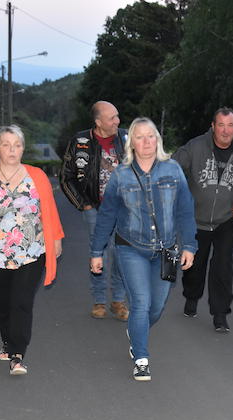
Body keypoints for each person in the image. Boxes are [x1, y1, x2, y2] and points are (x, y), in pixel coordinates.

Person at [90, 118, 197, 382]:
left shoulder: (173, 170)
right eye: (140, 137)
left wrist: (189, 245)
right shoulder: (121, 175)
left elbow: (185, 210)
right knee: (141, 302)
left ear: (157, 140)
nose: (146, 141)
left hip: (165, 250)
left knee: (156, 307)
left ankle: (137, 331)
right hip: (131, 248)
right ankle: (141, 358)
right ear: (132, 144)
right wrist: (96, 251)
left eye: (151, 136)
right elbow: (107, 215)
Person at [0, 125, 64, 375]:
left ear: (23, 148)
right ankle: (7, 341)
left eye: (17, 145)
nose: (12, 150)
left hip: (32, 249)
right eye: (6, 145)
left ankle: (17, 354)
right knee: (3, 301)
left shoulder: (37, 176)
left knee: (22, 300)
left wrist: (55, 239)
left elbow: (49, 209)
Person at [172, 107, 233, 332]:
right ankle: (191, 296)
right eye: (221, 125)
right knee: (195, 265)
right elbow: (173, 166)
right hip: (196, 219)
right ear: (213, 126)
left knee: (222, 266)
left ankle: (220, 314)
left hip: (226, 220)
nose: (226, 131)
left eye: (230, 125)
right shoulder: (196, 146)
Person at [60, 101, 129, 321]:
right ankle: (99, 301)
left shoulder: (127, 138)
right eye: (112, 118)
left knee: (121, 254)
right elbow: (66, 177)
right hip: (95, 209)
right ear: (98, 122)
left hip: (124, 210)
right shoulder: (80, 141)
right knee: (98, 253)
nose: (117, 121)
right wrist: (84, 204)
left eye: (117, 116)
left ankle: (118, 300)